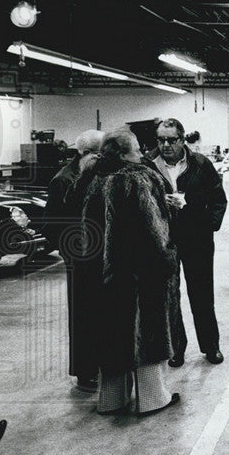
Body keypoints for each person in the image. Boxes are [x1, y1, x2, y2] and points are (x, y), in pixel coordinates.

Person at [73, 130, 181, 416]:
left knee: (112, 336)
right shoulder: (138, 178)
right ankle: (153, 399)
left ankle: (112, 400)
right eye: (134, 148)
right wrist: (168, 258)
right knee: (147, 334)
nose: (140, 153)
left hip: (101, 275)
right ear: (122, 154)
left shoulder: (92, 178)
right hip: (141, 274)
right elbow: (154, 232)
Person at [152, 118, 227, 366]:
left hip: (198, 239)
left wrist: (201, 217)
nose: (165, 145)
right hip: (165, 242)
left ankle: (211, 346)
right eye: (161, 140)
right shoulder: (149, 166)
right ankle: (176, 349)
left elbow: (218, 200)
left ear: (182, 140)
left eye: (171, 140)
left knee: (202, 294)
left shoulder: (201, 164)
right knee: (169, 297)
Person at [45, 129, 104, 392]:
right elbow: (51, 225)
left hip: (98, 256)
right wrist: (71, 251)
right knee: (82, 316)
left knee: (97, 313)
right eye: (99, 153)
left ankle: (99, 366)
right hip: (80, 259)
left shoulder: (91, 173)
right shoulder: (64, 180)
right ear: (85, 153)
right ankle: (85, 372)